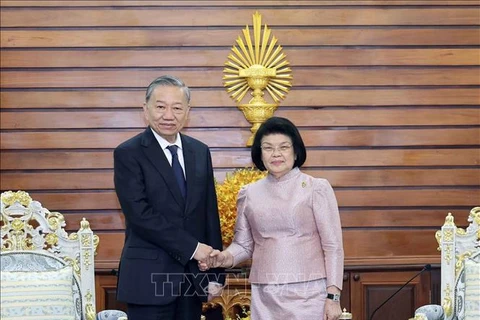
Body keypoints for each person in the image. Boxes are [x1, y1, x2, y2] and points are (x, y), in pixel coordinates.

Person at [200, 116, 344, 320]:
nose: (276, 154)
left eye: (283, 147)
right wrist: (222, 258)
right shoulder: (249, 193)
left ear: (296, 151)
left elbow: (333, 246)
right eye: (268, 148)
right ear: (260, 153)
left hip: (309, 294)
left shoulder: (316, 188)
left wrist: (333, 296)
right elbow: (243, 245)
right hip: (265, 294)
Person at [114, 75, 224, 320]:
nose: (168, 115)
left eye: (177, 108)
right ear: (146, 109)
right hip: (147, 280)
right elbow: (140, 215)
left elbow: (209, 212)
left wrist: (216, 274)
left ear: (187, 112)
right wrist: (194, 248)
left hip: (191, 281)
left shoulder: (199, 151)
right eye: (160, 107)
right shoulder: (128, 153)